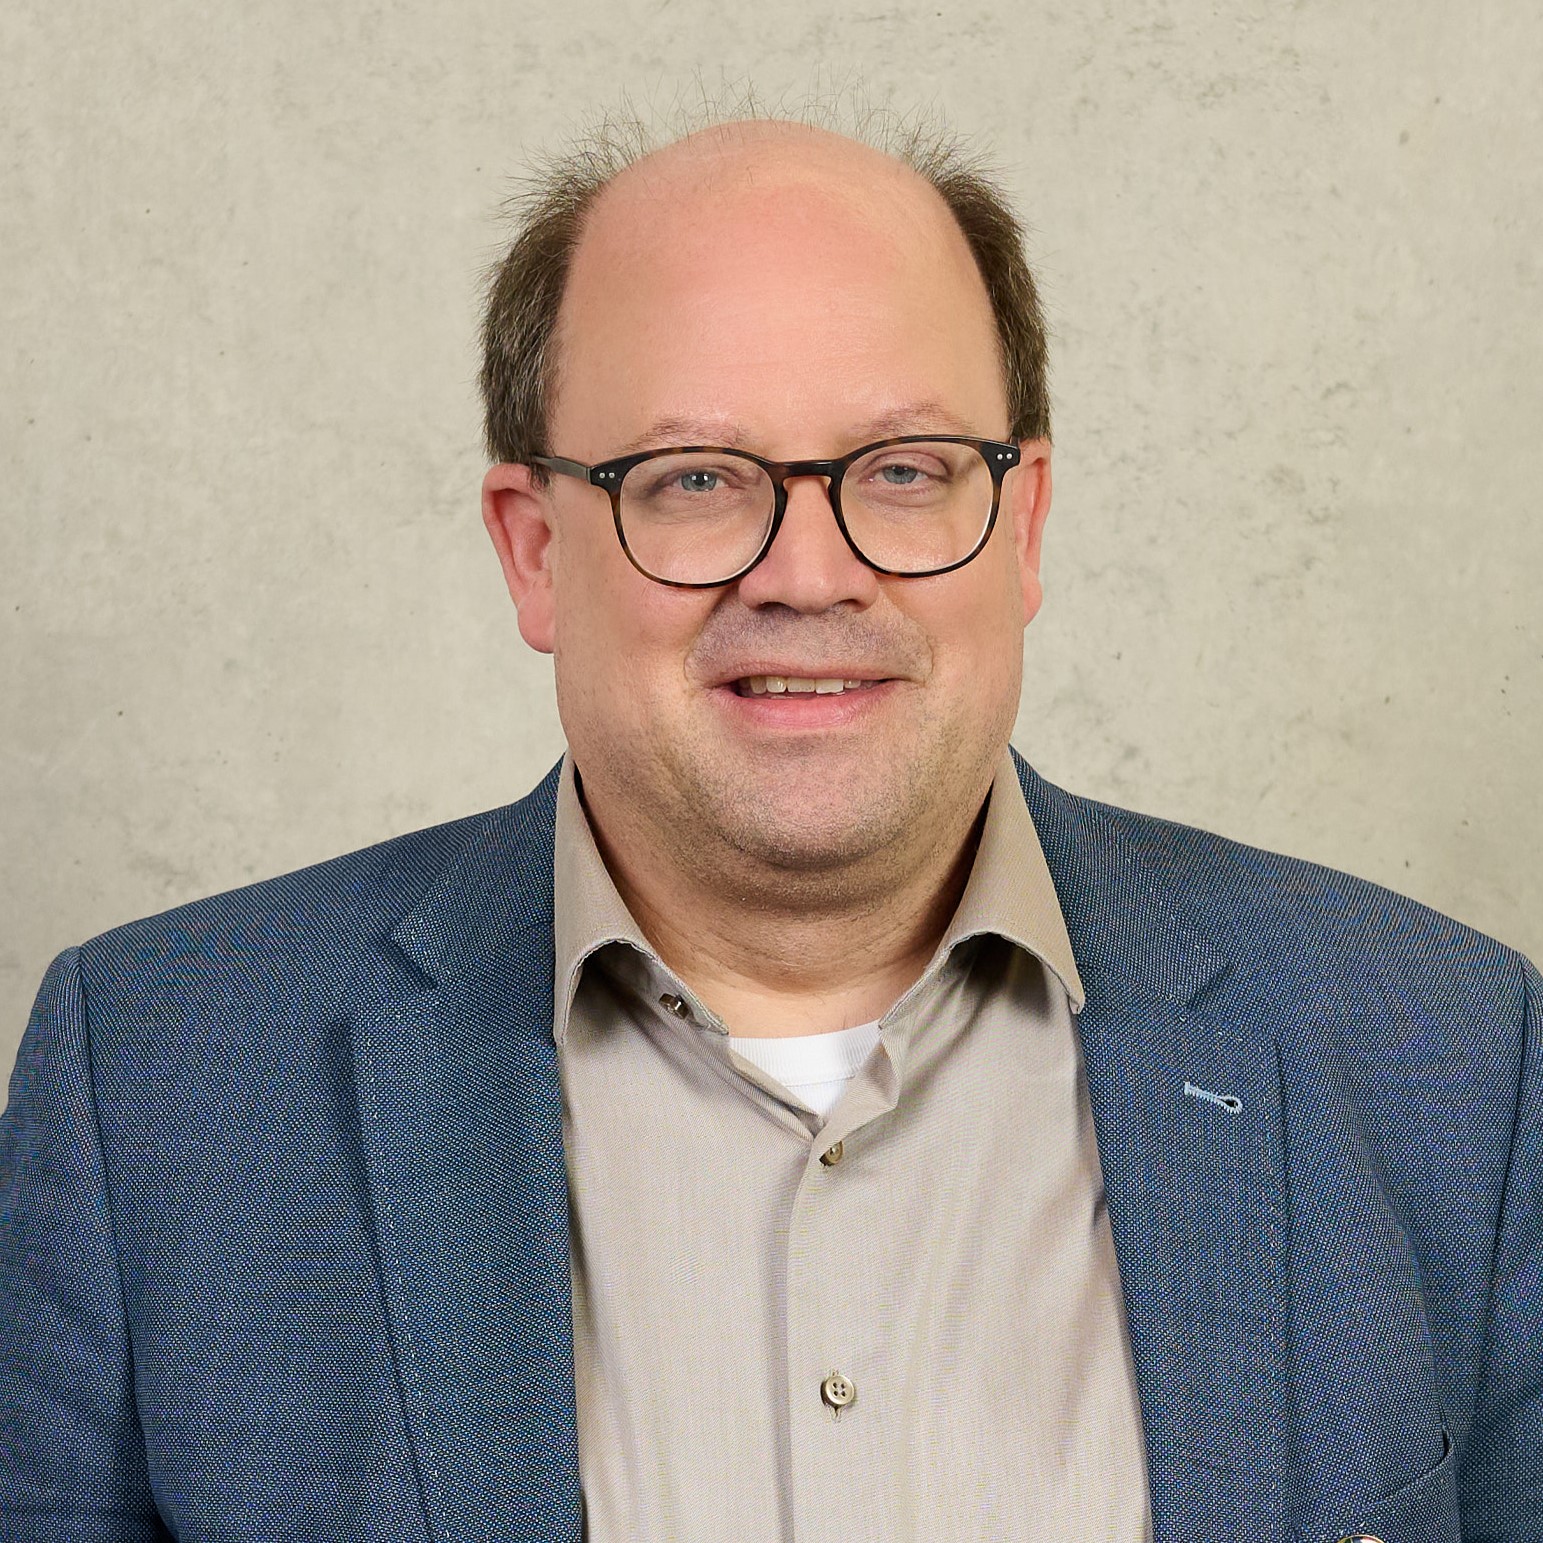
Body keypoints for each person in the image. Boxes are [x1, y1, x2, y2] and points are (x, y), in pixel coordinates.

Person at [1, 105, 1537, 1543]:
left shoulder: (1453, 1069)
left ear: (1026, 525)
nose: (808, 573)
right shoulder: (152, 1094)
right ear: (534, 554)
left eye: (909, 469)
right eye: (694, 479)